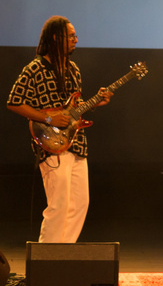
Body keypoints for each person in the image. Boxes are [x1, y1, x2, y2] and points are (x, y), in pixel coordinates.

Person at [7, 16, 113, 243]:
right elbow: (14, 101)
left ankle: (64, 256)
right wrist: (48, 118)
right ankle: (46, 261)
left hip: (76, 142)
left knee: (79, 203)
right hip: (51, 143)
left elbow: (74, 109)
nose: (76, 39)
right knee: (59, 204)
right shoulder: (34, 68)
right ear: (56, 38)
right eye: (72, 35)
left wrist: (96, 103)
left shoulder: (74, 69)